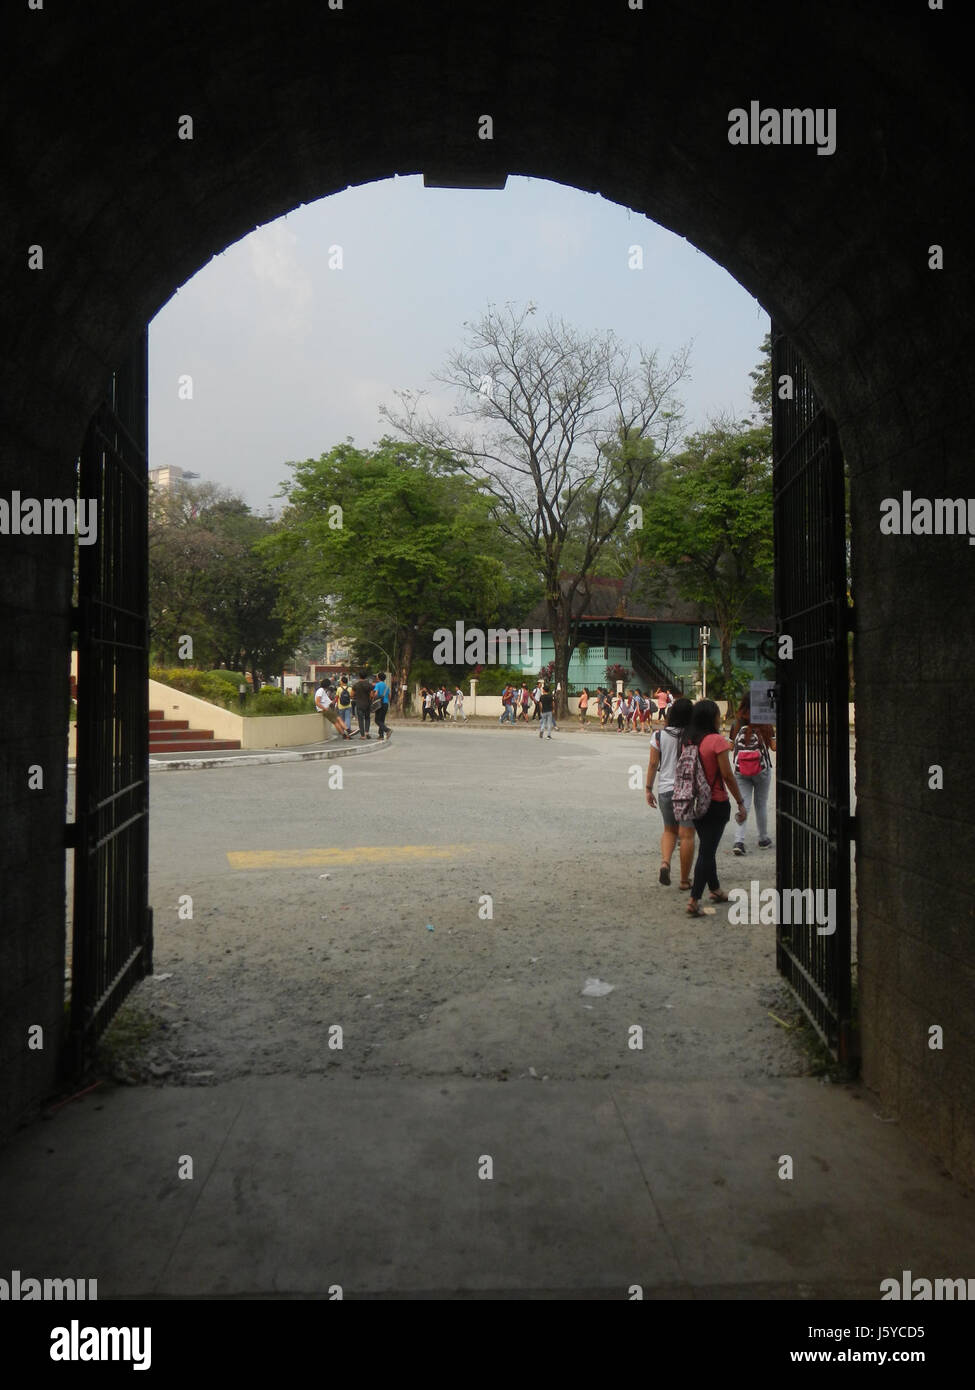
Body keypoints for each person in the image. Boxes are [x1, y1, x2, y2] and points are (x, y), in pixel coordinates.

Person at [679, 699, 747, 917]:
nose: (721, 718)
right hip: (716, 802)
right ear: (712, 717)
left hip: (696, 802)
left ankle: (715, 889)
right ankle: (694, 899)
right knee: (707, 851)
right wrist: (740, 802)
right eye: (718, 714)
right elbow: (727, 775)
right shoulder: (717, 741)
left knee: (708, 847)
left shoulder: (688, 740)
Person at [645, 696, 695, 888]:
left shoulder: (658, 736)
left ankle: (665, 863)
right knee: (687, 835)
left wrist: (648, 788)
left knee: (669, 830)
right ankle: (684, 880)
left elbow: (652, 764)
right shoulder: (694, 736)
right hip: (687, 791)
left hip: (665, 789)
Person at [728, 693, 775, 853]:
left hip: (741, 770)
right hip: (761, 769)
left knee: (743, 803)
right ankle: (763, 839)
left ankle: (738, 841)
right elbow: (774, 747)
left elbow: (730, 747)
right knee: (760, 804)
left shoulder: (736, 723)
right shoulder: (765, 722)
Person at [351, 668, 373, 739]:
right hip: (367, 704)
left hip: (359, 704)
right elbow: (372, 695)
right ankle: (367, 733)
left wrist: (356, 696)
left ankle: (362, 735)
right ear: (366, 676)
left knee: (360, 719)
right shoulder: (369, 685)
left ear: (359, 676)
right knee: (367, 718)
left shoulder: (356, 685)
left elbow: (351, 695)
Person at [373, 670, 392, 741]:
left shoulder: (377, 684)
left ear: (378, 677)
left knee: (377, 720)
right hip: (386, 704)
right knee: (382, 720)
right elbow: (390, 696)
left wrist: (374, 699)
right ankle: (381, 735)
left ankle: (387, 730)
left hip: (379, 704)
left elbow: (376, 694)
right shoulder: (387, 686)